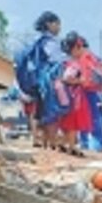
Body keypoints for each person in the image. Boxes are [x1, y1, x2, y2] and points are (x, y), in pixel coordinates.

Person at [32, 11, 69, 148]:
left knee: (41, 111)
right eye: (57, 24)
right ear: (49, 24)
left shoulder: (38, 40)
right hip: (49, 80)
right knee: (53, 110)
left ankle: (44, 141)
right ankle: (52, 142)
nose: (59, 27)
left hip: (39, 80)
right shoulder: (49, 42)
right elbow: (56, 59)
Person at [59, 32, 92, 155]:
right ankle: (71, 146)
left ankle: (66, 144)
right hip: (75, 94)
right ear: (75, 48)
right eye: (81, 47)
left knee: (69, 121)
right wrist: (81, 81)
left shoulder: (67, 63)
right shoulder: (75, 64)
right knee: (73, 121)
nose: (84, 50)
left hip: (69, 94)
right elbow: (69, 78)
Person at [75, 37, 102, 151]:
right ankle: (100, 143)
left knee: (85, 117)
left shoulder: (81, 57)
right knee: (95, 117)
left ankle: (88, 143)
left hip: (83, 89)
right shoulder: (94, 57)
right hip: (94, 90)